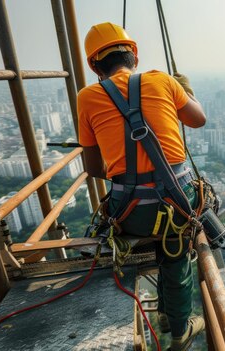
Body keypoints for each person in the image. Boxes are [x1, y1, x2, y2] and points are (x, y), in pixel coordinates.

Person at [78, 22, 206, 351]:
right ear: (134, 54)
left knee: (158, 227)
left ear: (94, 66)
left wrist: (126, 164)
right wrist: (185, 90)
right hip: (178, 203)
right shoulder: (161, 80)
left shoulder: (87, 97)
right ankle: (179, 328)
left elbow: (93, 169)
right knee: (176, 248)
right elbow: (198, 119)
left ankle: (166, 315)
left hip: (130, 214)